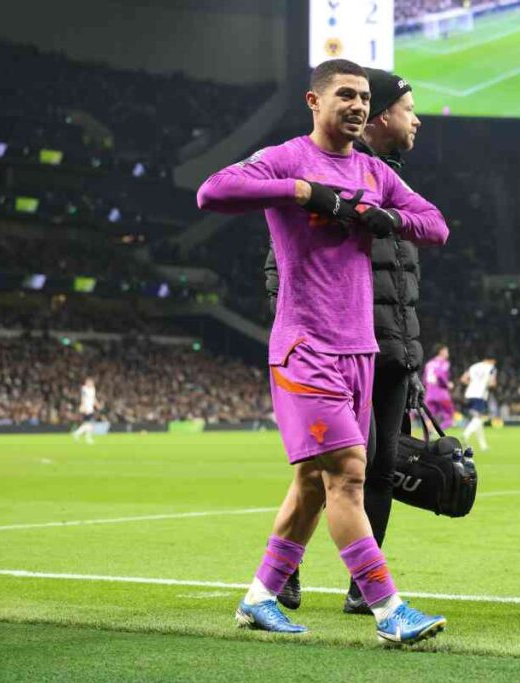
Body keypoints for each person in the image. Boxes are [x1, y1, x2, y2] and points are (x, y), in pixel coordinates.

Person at [197, 59, 449, 643]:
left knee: (314, 482)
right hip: (306, 347)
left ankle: (261, 597)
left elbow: (435, 225)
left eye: (364, 97)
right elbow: (213, 191)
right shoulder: (288, 157)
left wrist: (381, 217)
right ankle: (388, 610)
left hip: (361, 350)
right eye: (345, 95)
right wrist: (304, 192)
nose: (358, 105)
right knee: (348, 476)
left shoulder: (373, 170)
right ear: (314, 102)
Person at [263, 67, 430, 616]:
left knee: (373, 470)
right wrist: (302, 333)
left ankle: (345, 588)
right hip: (329, 348)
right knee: (340, 470)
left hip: (385, 353)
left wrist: (410, 360)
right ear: (382, 117)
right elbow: (283, 265)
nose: (417, 121)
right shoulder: (320, 172)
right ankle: (370, 599)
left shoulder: (388, 185)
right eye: (409, 110)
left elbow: (405, 280)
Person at [462, 358, 497, 451]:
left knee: (477, 420)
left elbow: (463, 379)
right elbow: (492, 383)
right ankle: (465, 435)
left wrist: (473, 384)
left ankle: (483, 446)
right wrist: (488, 385)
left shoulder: (474, 366)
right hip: (480, 395)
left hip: (469, 394)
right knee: (478, 418)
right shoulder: (491, 368)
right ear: (492, 360)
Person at [424, 345, 454, 429]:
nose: (448, 353)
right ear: (441, 351)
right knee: (449, 416)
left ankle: (427, 435)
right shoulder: (444, 363)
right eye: (447, 351)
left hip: (429, 394)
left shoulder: (429, 364)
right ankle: (439, 432)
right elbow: (440, 375)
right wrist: (447, 384)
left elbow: (424, 380)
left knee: (430, 417)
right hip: (441, 394)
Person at [72, 377, 99, 444]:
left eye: (91, 382)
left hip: (91, 408)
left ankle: (78, 434)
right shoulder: (84, 389)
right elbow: (83, 398)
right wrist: (83, 406)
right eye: (89, 382)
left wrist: (97, 404)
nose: (91, 384)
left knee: (88, 424)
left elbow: (93, 398)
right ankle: (85, 437)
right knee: (89, 424)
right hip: (86, 408)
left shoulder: (93, 389)